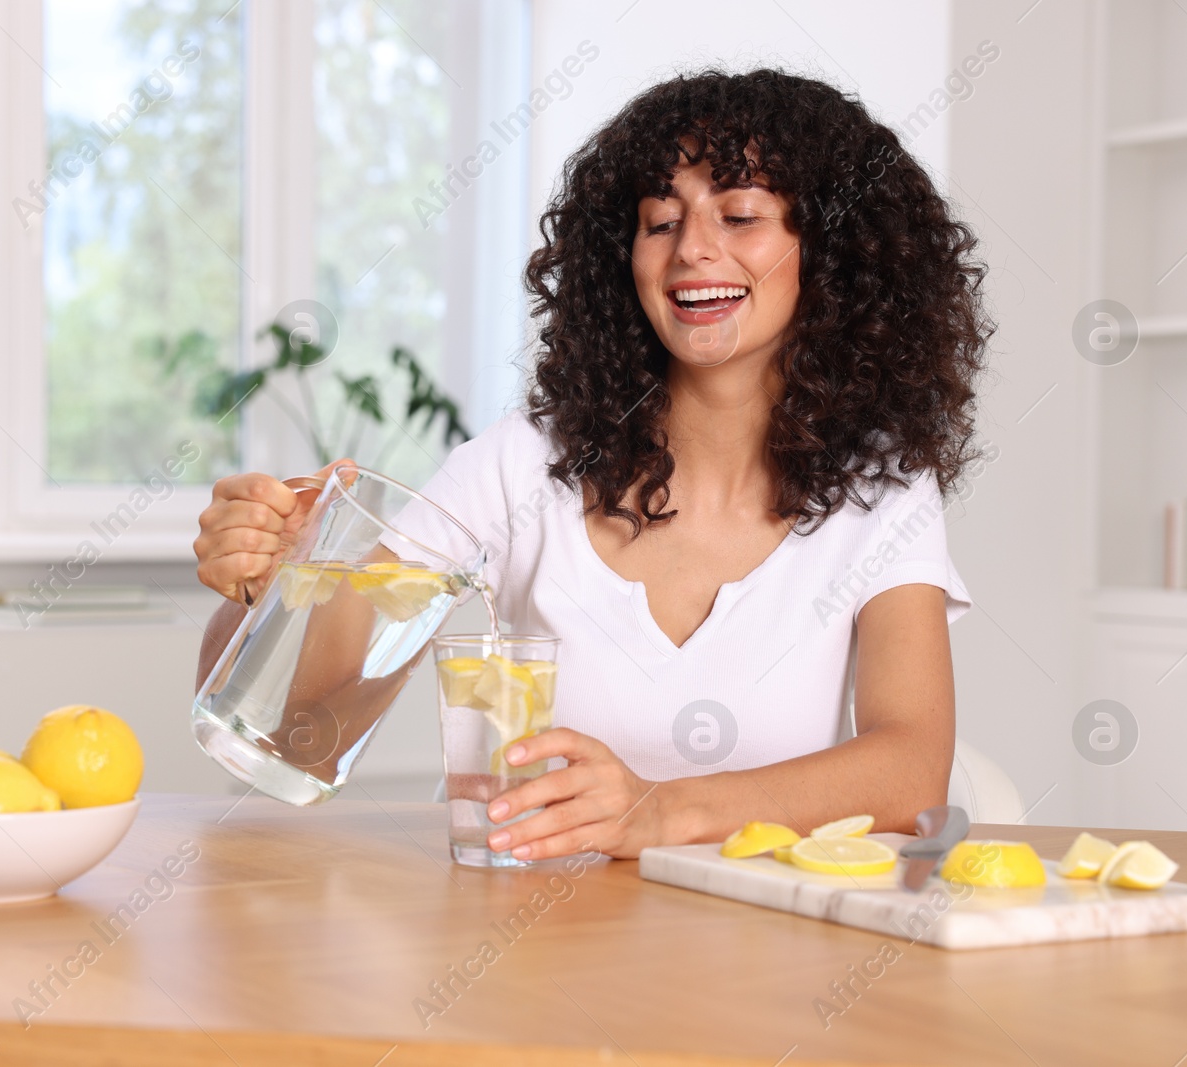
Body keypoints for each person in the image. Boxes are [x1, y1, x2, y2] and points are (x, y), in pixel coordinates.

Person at [193, 68, 991, 862]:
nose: (693, 250)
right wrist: (290, 580)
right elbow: (294, 719)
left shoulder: (880, 487)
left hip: (768, 961)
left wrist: (658, 810)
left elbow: (912, 771)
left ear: (833, 252)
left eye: (740, 214)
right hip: (529, 945)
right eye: (658, 222)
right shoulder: (526, 461)